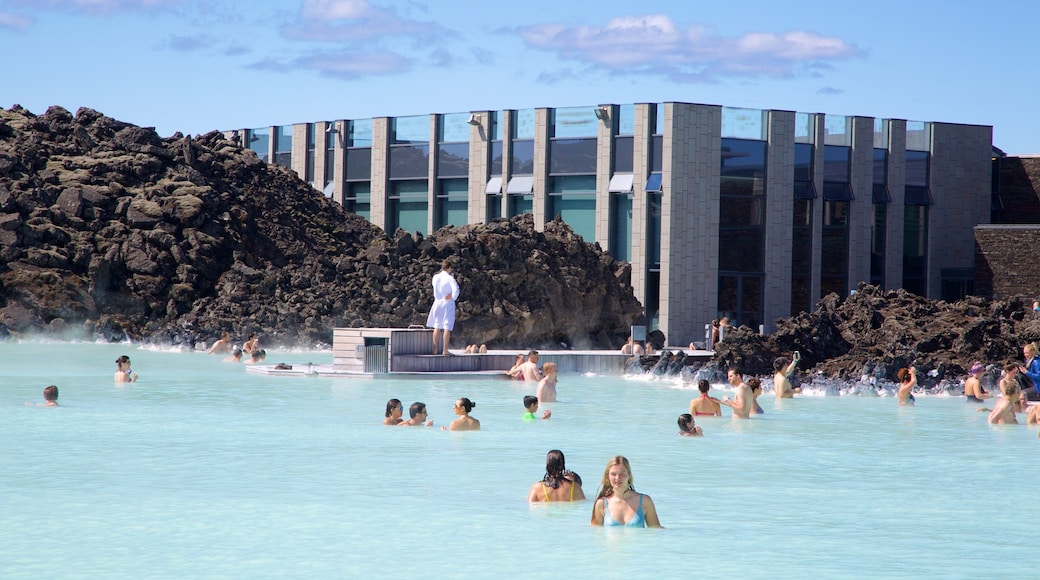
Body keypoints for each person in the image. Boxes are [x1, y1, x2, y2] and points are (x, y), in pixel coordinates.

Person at [590, 456, 662, 528]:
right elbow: (594, 533)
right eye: (613, 474)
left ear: (629, 475)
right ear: (607, 476)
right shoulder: (601, 504)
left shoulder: (645, 501)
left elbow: (657, 530)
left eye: (622, 474)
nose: (617, 478)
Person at [426, 259, 460, 356]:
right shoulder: (450, 278)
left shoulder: (435, 277)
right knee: (447, 326)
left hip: (437, 302)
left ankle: (435, 350)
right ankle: (445, 350)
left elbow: (434, 287)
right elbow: (456, 290)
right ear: (449, 268)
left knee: (437, 326)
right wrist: (452, 296)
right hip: (447, 303)